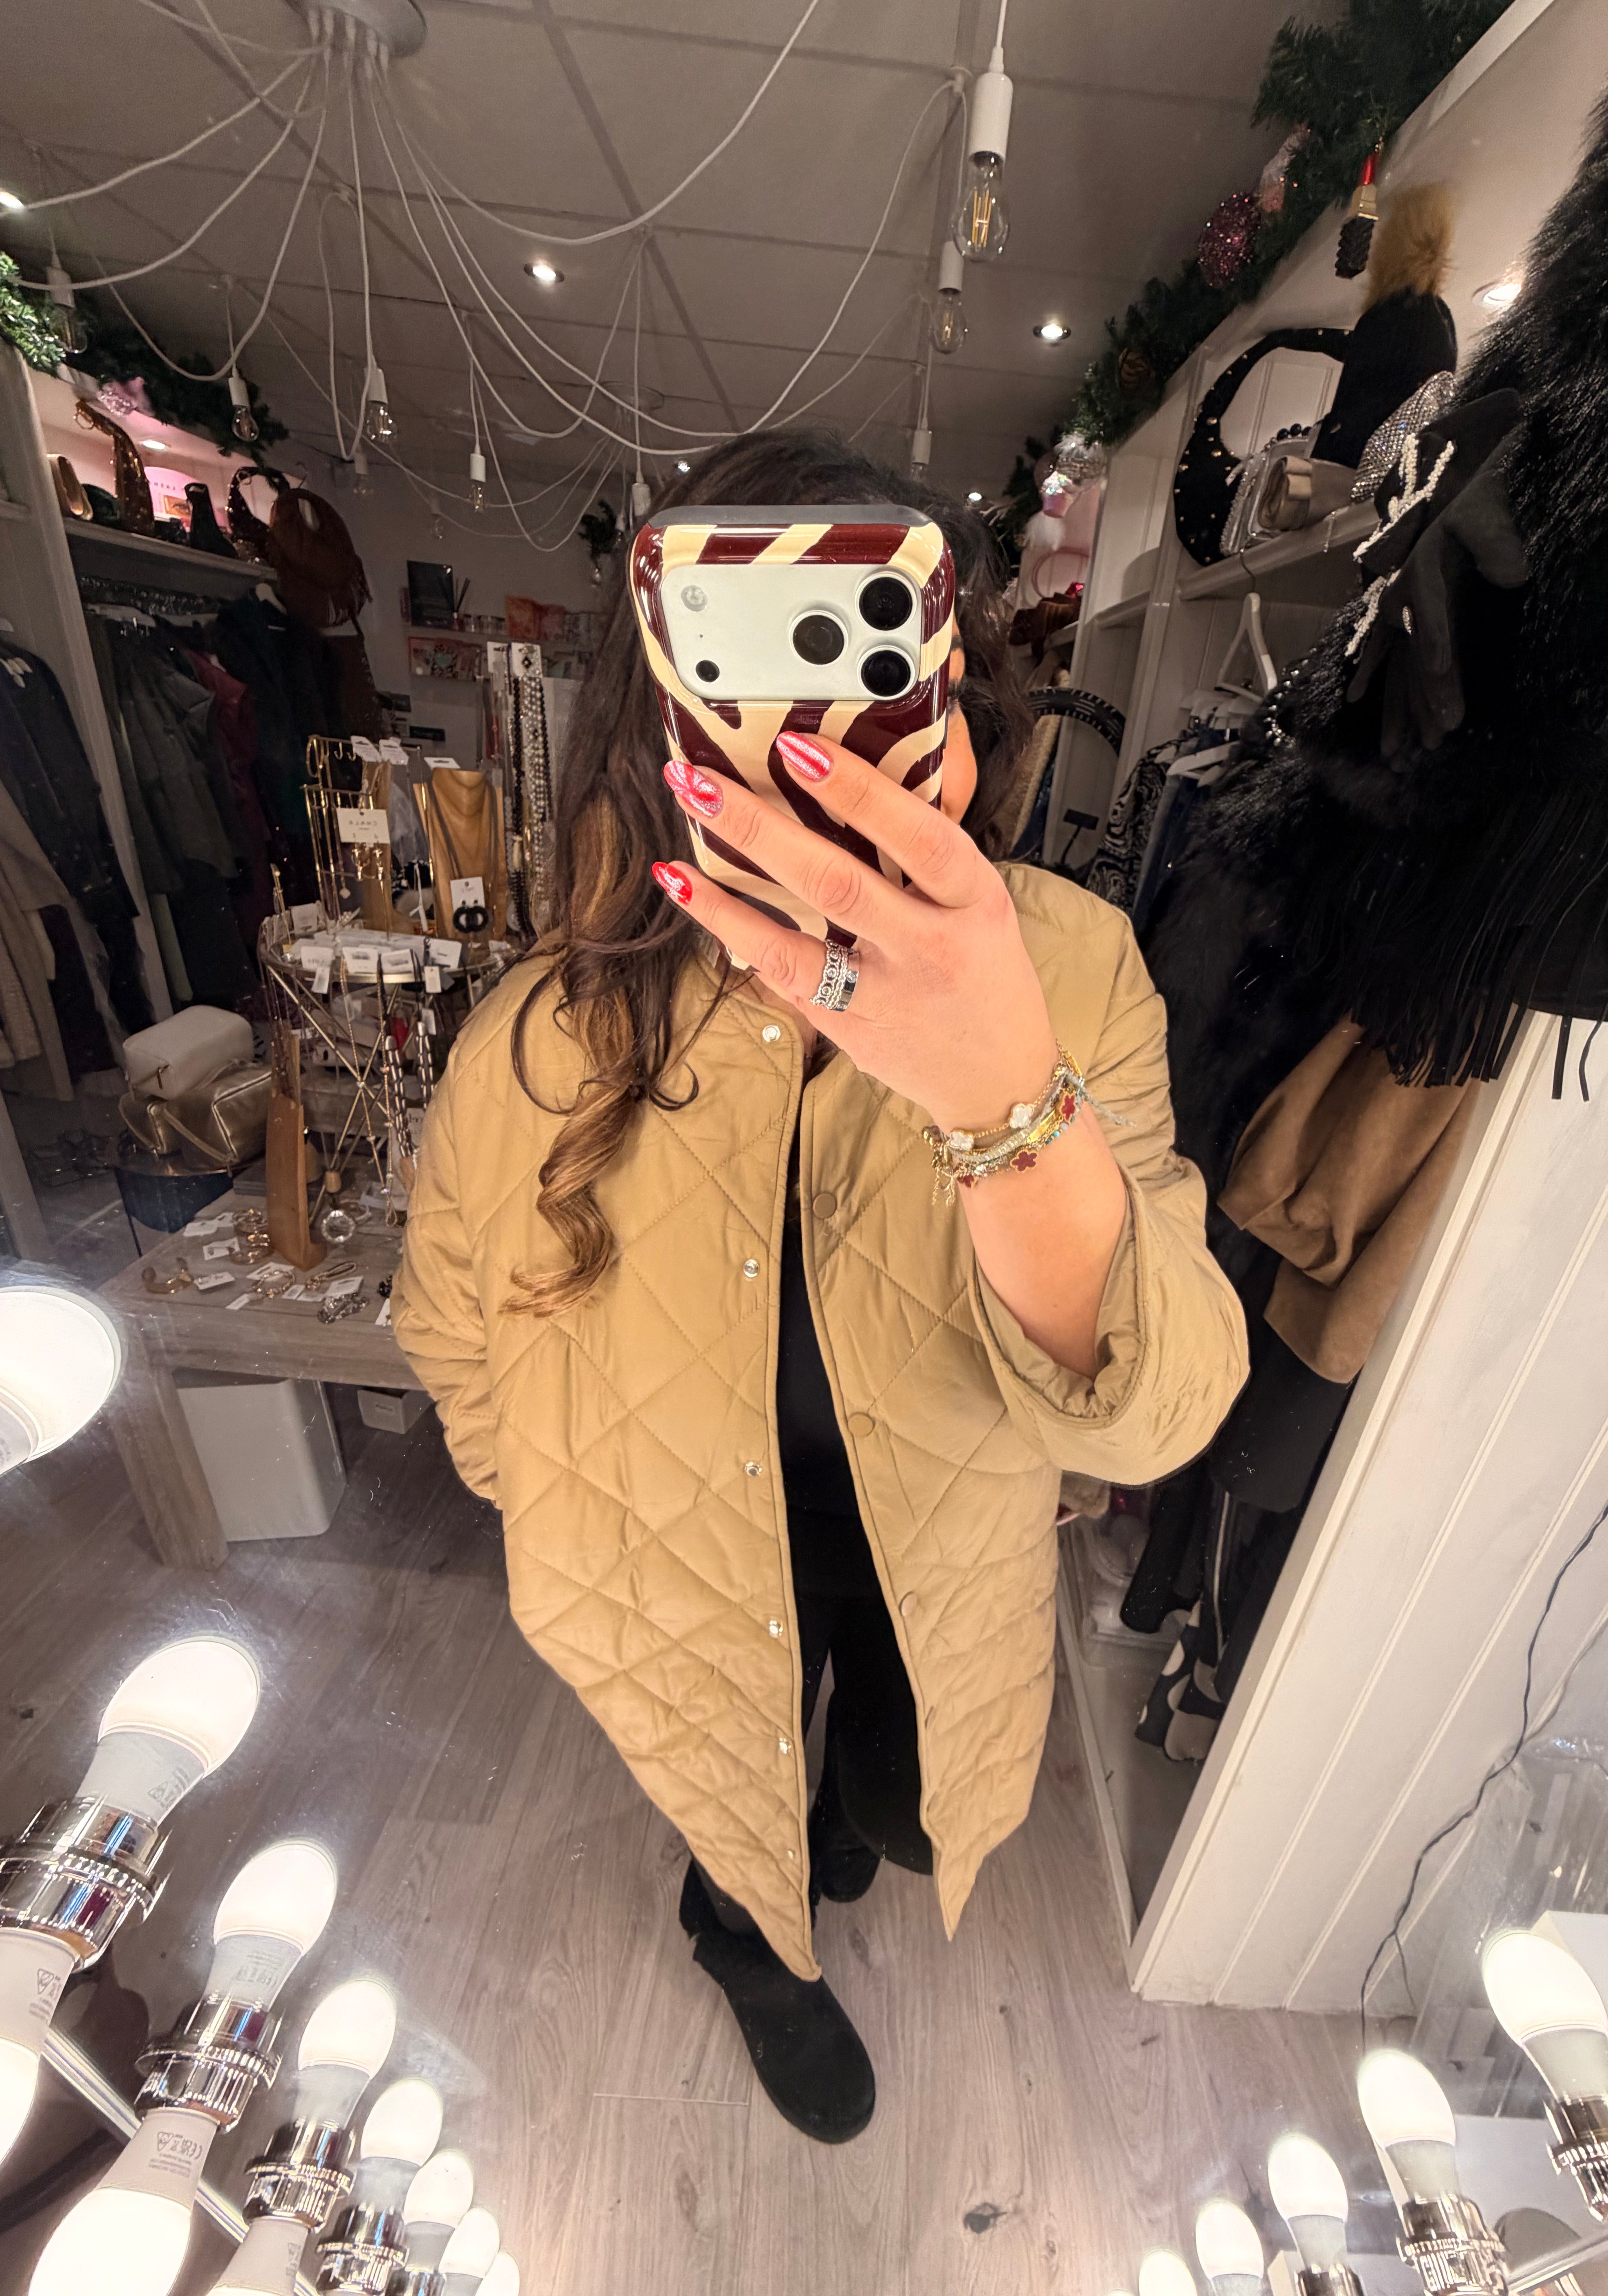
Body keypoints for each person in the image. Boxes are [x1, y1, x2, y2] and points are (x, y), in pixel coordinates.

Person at [393, 429, 1247, 2144]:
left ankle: (834, 1832)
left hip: (938, 1516)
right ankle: (745, 1945)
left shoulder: (1065, 964)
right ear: (659, 705)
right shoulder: (549, 1022)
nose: (804, 729)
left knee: (904, 1806)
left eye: (859, 658)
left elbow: (1157, 1414)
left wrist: (1003, 1095)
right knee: (739, 1790)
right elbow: (453, 1331)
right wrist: (578, 1511)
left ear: (948, 689)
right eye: (737, 664)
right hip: (685, 1538)